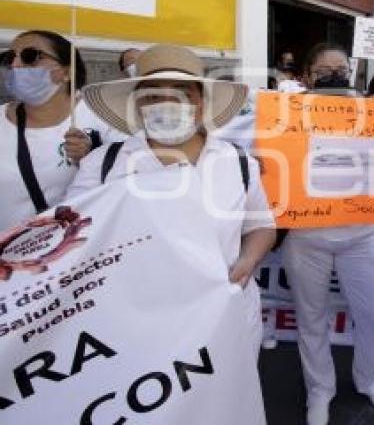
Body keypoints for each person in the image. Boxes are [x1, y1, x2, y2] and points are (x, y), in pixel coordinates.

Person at [66, 44, 276, 336]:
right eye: (152, 95)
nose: (167, 103)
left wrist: (248, 260)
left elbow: (262, 225)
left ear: (201, 103)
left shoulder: (238, 162)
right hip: (133, 325)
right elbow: (69, 235)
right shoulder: (102, 165)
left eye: (182, 93)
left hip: (225, 320)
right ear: (137, 105)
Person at [284, 42, 374, 425]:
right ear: (305, 76)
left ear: (352, 72)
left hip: (362, 234)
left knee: (370, 313)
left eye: (341, 68)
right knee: (310, 316)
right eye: (323, 70)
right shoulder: (284, 117)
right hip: (306, 236)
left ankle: (368, 378)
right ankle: (320, 389)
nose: (334, 75)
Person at [0, 30, 121, 235]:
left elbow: (124, 188)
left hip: (72, 252)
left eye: (30, 56)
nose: (15, 65)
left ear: (67, 72)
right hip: (1, 254)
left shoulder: (104, 117)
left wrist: (93, 158)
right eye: (8, 57)